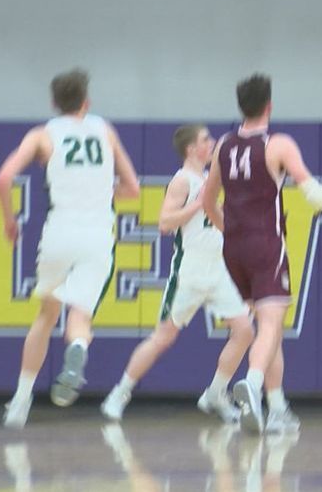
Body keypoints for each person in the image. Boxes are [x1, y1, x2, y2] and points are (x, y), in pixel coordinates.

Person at [203, 74, 322, 433]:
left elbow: (206, 201)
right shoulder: (278, 145)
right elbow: (315, 196)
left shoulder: (223, 145)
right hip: (266, 244)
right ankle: (253, 383)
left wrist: (229, 229)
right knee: (273, 323)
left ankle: (277, 408)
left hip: (234, 247)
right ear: (269, 106)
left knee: (266, 327)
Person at [0, 69, 140, 428]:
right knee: (79, 317)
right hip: (97, 235)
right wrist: (103, 189)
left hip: (59, 232)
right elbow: (133, 188)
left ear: (53, 103)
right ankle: (77, 349)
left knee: (46, 316)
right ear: (86, 102)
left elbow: (3, 178)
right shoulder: (105, 131)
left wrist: (9, 220)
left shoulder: (42, 135)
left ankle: (20, 402)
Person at [100, 124, 253, 423]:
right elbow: (165, 223)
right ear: (191, 149)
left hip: (220, 269)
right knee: (163, 337)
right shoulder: (182, 180)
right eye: (205, 139)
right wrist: (199, 204)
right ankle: (119, 393)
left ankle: (215, 394)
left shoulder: (212, 179)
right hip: (190, 272)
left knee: (245, 331)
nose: (211, 143)